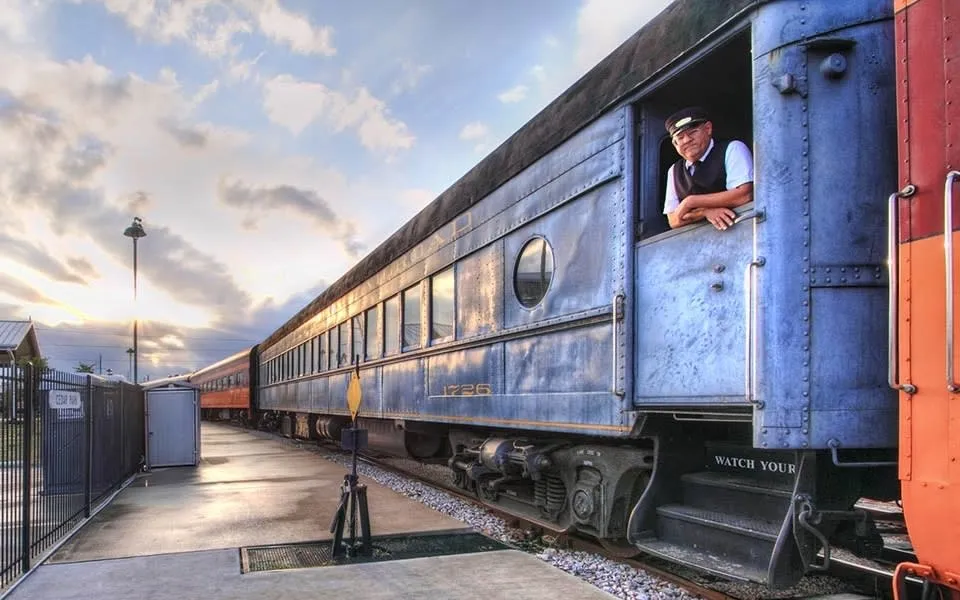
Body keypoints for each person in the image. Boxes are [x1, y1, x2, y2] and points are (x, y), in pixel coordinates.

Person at [662, 107, 754, 231]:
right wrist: (705, 212)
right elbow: (674, 220)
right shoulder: (674, 171)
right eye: (680, 137)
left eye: (693, 132)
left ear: (708, 129)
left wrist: (691, 202)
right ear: (675, 144)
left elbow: (744, 195)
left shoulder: (732, 148)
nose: (687, 140)